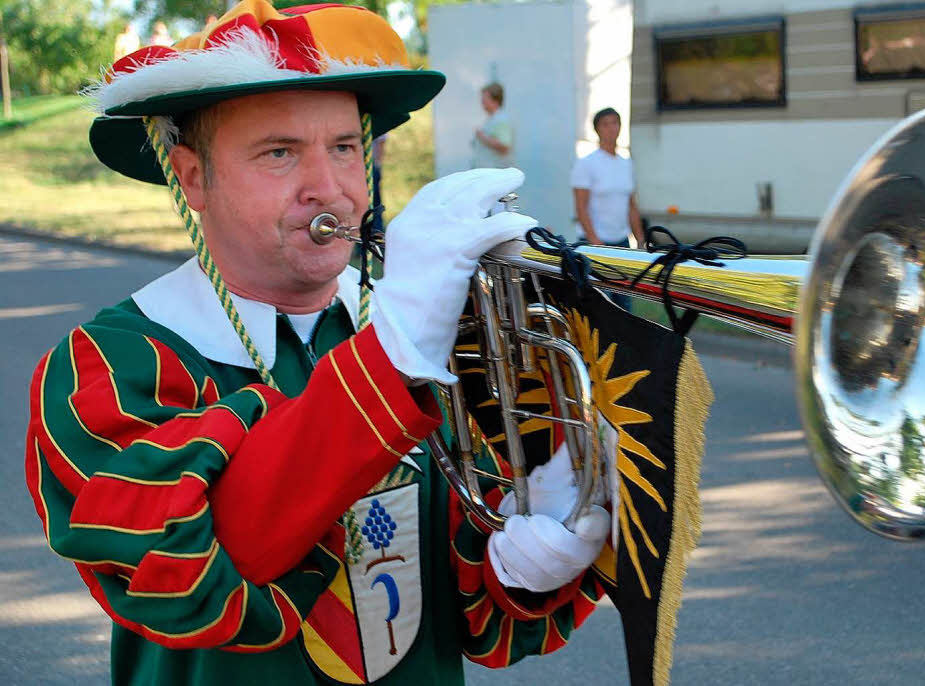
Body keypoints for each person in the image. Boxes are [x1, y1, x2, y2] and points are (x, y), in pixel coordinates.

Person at [25, 2, 611, 685]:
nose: (328, 189)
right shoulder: (107, 364)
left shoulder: (435, 333)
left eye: (343, 148)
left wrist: (525, 565)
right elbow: (203, 572)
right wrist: (393, 358)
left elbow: (473, 610)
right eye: (279, 153)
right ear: (191, 178)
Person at [571, 107, 644, 249]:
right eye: (605, 124)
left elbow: (631, 205)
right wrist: (595, 241)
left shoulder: (626, 163)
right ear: (597, 129)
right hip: (595, 241)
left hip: (622, 240)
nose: (611, 128)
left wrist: (640, 240)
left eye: (615, 123)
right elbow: (581, 207)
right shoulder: (586, 163)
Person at [471, 82, 513, 169]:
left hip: (496, 175)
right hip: (489, 174)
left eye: (485, 98)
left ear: (495, 100)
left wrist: (482, 137)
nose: (482, 101)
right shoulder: (492, 120)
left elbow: (504, 147)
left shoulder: (501, 120)